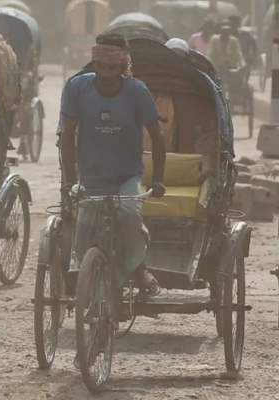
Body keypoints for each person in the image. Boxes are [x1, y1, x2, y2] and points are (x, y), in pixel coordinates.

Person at [59, 33, 167, 306]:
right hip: (90, 177)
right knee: (81, 238)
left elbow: (157, 137)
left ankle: (138, 267)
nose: (106, 73)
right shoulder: (77, 88)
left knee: (130, 219)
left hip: (126, 177)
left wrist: (158, 180)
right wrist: (69, 183)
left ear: (123, 66)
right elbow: (67, 136)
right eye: (101, 66)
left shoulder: (137, 92)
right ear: (94, 62)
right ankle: (87, 278)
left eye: (112, 67)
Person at [208, 25, 245, 94]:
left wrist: (242, 65)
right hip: (218, 67)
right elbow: (210, 53)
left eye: (227, 34)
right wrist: (207, 63)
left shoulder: (234, 41)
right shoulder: (215, 40)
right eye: (223, 33)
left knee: (236, 82)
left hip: (231, 67)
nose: (225, 36)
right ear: (221, 33)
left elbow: (239, 54)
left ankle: (234, 94)